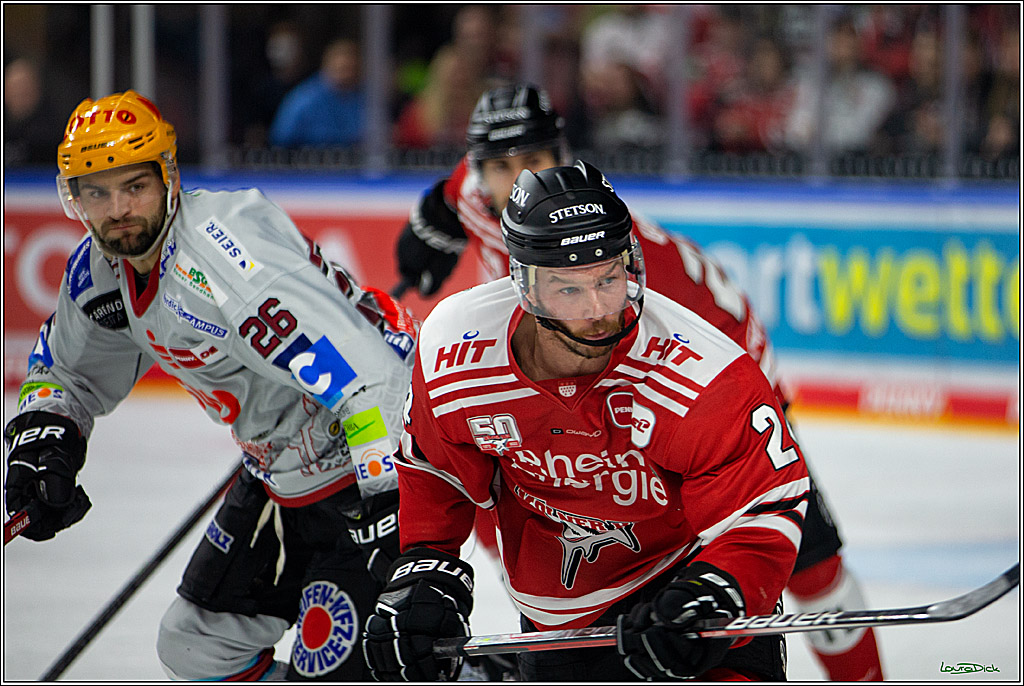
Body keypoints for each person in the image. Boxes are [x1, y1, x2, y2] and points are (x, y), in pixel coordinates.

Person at [393, 82, 885, 681]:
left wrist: (711, 586)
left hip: (716, 395)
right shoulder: (484, 197)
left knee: (804, 564)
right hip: (572, 399)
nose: (515, 177)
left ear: (565, 155)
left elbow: (734, 436)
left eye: (533, 160)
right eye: (499, 167)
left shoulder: (640, 289)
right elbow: (467, 186)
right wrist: (434, 218)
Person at [3, 90, 417, 680]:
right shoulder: (102, 272)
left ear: (168, 178)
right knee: (194, 642)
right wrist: (46, 445)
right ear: (75, 199)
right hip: (283, 470)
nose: (118, 209)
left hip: (374, 456)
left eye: (133, 186)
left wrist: (391, 502)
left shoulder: (220, 259)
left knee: (352, 656)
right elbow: (66, 372)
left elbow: (363, 373)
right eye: (96, 192)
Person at [269, 38, 366, 148]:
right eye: (342, 68)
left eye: (352, 69)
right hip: (308, 162)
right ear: (327, 65)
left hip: (354, 162)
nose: (348, 74)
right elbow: (281, 138)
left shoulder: (362, 98)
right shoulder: (305, 98)